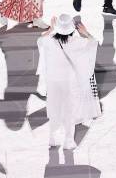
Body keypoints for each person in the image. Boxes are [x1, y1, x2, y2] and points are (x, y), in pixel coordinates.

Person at [36, 14, 101, 148]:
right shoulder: (77, 42)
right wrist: (85, 32)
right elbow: (93, 43)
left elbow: (39, 40)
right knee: (69, 110)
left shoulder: (49, 41)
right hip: (69, 82)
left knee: (54, 109)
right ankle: (68, 140)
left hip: (53, 82)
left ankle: (52, 138)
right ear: (72, 30)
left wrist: (50, 29)